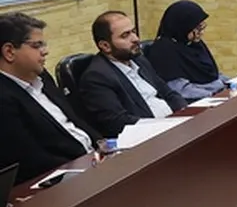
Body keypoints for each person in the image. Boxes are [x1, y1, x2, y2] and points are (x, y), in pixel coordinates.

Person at [0, 13, 98, 183]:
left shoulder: (41, 75)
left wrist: (104, 145)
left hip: (93, 160)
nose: (45, 51)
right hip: (64, 178)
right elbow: (31, 159)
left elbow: (75, 120)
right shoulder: (4, 98)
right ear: (9, 51)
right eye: (37, 45)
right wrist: (87, 167)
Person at [78, 11, 187, 138]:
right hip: (148, 136)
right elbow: (117, 122)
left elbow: (168, 93)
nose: (136, 39)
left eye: (133, 32)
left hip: (173, 125)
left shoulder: (139, 60)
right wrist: (163, 126)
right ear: (105, 46)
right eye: (125, 35)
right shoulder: (97, 77)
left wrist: (186, 113)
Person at [147, 0, 227, 99]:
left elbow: (213, 75)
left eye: (202, 27)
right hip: (197, 100)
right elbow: (180, 89)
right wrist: (214, 95)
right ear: (183, 26)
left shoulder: (193, 43)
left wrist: (232, 83)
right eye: (197, 28)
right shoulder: (163, 51)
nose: (201, 33)